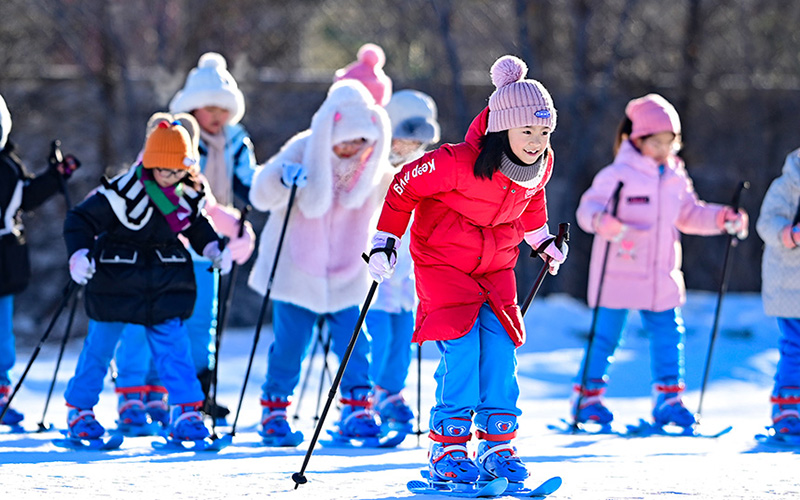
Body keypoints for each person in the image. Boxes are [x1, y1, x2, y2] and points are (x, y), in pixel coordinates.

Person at [367, 55, 566, 485]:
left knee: (500, 348)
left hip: (496, 263)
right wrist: (385, 240)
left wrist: (541, 239)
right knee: (461, 348)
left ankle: (498, 447)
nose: (536, 141)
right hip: (442, 260)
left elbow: (532, 201)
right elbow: (403, 189)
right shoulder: (453, 161)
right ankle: (449, 448)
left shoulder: (540, 163)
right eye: (527, 131)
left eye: (544, 131)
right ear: (502, 128)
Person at [572, 93, 749, 430]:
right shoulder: (618, 175)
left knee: (669, 334)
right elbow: (587, 209)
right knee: (606, 337)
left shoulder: (674, 177)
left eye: (670, 142)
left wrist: (721, 218)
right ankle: (587, 399)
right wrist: (602, 222)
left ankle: (668, 399)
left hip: (660, 274)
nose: (664, 149)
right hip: (619, 273)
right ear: (637, 140)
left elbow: (689, 213)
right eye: (657, 142)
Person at [62, 119, 232, 442]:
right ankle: (80, 410)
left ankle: (186, 411)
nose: (171, 177)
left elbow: (197, 226)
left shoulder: (187, 196)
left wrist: (212, 247)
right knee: (99, 347)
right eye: (164, 170)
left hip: (164, 284)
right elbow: (80, 218)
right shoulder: (122, 192)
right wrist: (79, 254)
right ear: (150, 163)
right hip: (117, 282)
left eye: (178, 171)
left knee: (174, 348)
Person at [114, 52, 257, 426]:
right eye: (208, 107)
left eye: (222, 108)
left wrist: (240, 223)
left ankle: (195, 390)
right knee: (159, 318)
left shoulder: (236, 141)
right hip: (168, 244)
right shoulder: (171, 141)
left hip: (206, 240)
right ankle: (142, 389)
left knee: (198, 321)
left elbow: (247, 187)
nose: (216, 115)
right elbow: (145, 182)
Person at [247, 79, 391, 444]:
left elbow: (398, 196)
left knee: (355, 343)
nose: (351, 147)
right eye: (345, 138)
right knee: (290, 344)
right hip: (297, 270)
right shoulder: (303, 147)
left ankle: (358, 406)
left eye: (360, 140)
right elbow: (261, 192)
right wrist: (283, 179)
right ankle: (274, 409)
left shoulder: (372, 165)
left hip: (347, 271)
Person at [0, 93, 80, 426]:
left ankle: (1, 392)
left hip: (3, 260)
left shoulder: (7, 166)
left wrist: (54, 176)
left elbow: (26, 197)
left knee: (2, 333)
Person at [366, 89, 441, 431]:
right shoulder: (373, 165)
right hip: (377, 266)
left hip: (409, 270)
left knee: (404, 335)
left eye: (416, 143)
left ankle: (391, 392)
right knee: (376, 334)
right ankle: (363, 396)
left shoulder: (424, 170)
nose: (409, 148)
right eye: (403, 140)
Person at [756, 148, 800, 440]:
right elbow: (766, 223)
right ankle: (787, 408)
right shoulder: (787, 185)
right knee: (795, 347)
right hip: (789, 285)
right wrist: (790, 234)